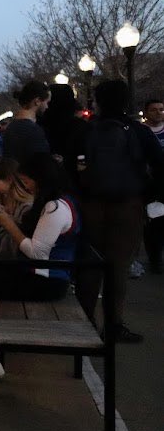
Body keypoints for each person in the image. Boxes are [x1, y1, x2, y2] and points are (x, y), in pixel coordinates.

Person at [0, 152, 80, 379]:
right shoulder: (56, 202)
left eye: (26, 181)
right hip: (38, 274)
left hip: (45, 280)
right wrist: (10, 220)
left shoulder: (56, 208)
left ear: (41, 179)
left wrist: (7, 223)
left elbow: (37, 254)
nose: (25, 186)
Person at [73, 80, 161, 344]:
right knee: (118, 268)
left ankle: (84, 323)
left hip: (90, 205)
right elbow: (160, 165)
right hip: (127, 206)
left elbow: (69, 166)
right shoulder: (138, 131)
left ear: (97, 101)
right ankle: (114, 325)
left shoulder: (85, 131)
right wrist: (147, 196)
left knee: (89, 267)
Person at [2, 81, 51, 165]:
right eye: (46, 102)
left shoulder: (11, 127)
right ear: (37, 101)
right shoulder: (33, 130)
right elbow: (41, 162)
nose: (47, 107)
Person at [142, 99, 164, 275]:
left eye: (161, 109)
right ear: (146, 113)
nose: (158, 113)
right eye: (154, 110)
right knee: (153, 221)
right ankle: (154, 258)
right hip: (150, 183)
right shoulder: (142, 132)